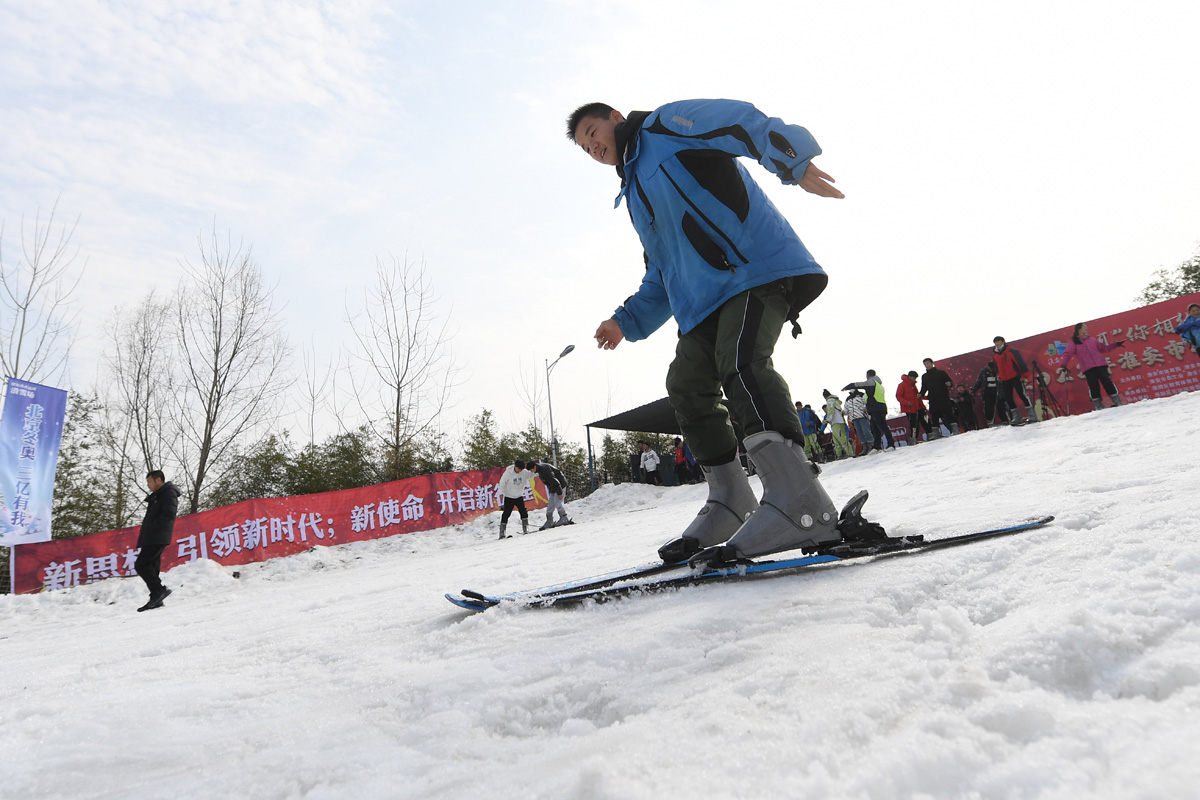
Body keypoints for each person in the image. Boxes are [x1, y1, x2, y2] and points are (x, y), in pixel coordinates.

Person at [570, 98, 855, 564]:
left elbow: (735, 122)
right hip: (703, 304)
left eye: (592, 133)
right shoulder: (636, 192)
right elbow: (662, 271)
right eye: (585, 148)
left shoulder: (665, 127)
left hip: (754, 272)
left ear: (615, 118)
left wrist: (790, 158)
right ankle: (731, 500)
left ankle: (801, 501)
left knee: (740, 363)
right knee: (686, 385)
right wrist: (625, 321)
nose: (593, 148)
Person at [135, 470, 181, 612]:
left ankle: (159, 591)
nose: (148, 485)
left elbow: (169, 515)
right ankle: (156, 598)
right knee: (152, 567)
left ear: (158, 480)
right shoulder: (158, 495)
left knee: (141, 564)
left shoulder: (168, 493)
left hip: (158, 535)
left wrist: (152, 526)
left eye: (149, 481)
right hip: (152, 536)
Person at [1057, 322, 1124, 410]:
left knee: (1107, 382)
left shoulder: (1092, 339)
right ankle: (1098, 406)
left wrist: (1115, 344)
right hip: (1088, 368)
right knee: (1093, 386)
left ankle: (1117, 401)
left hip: (1100, 365)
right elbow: (1067, 353)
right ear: (1079, 329)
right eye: (1085, 327)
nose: (1087, 329)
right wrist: (1064, 364)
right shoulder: (1074, 342)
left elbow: (1104, 348)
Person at [844, 370, 895, 451]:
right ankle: (876, 446)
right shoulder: (878, 384)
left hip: (876, 407)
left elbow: (861, 384)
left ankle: (891, 444)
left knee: (883, 427)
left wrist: (849, 386)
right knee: (875, 428)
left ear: (868, 375)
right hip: (877, 407)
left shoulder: (872, 382)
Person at [992, 336, 1033, 425]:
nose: (997, 343)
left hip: (1016, 376)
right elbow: (996, 367)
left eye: (998, 341)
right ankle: (1017, 417)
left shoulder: (1011, 351)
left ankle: (1032, 415)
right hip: (1005, 379)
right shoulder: (995, 355)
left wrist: (1024, 375)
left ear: (1003, 342)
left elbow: (1020, 363)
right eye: (995, 342)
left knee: (1022, 395)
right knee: (1008, 398)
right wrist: (998, 375)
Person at [527, 456, 573, 528]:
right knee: (551, 503)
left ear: (534, 467)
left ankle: (564, 518)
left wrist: (560, 493)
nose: (531, 471)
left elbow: (555, 481)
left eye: (531, 470)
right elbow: (549, 482)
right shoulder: (540, 470)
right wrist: (552, 491)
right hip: (553, 487)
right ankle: (549, 521)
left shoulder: (544, 470)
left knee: (557, 502)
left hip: (560, 485)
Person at [496, 459, 535, 538]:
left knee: (523, 511)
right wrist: (500, 493)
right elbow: (502, 483)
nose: (519, 471)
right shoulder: (508, 473)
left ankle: (525, 528)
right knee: (506, 514)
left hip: (519, 496)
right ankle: (502, 533)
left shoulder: (524, 472)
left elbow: (532, 474)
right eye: (518, 469)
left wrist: (540, 469)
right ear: (515, 466)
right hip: (509, 496)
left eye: (521, 469)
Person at [920, 358, 957, 437]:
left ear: (932, 363)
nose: (927, 365)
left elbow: (950, 381)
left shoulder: (941, 373)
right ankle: (936, 434)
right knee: (934, 416)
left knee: (949, 414)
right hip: (933, 398)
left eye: (928, 363)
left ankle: (955, 430)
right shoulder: (924, 376)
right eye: (925, 364)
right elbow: (924, 388)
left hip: (943, 397)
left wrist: (949, 383)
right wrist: (920, 394)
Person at [896, 371, 931, 445]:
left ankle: (930, 434)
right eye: (914, 377)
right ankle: (913, 439)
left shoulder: (913, 385)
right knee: (914, 425)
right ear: (909, 376)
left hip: (919, 406)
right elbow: (898, 396)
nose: (914, 379)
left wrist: (927, 397)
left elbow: (917, 395)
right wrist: (906, 402)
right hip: (910, 408)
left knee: (926, 420)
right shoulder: (902, 385)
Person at [972, 361, 1008, 426]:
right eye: (991, 368)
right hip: (987, 392)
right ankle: (990, 421)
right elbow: (979, 381)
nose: (992, 370)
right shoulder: (983, 372)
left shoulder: (999, 371)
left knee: (1001, 407)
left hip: (997, 391)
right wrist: (974, 389)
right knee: (988, 408)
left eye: (993, 368)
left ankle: (1005, 420)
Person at [821, 389, 853, 460]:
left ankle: (849, 453)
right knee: (836, 440)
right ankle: (840, 454)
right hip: (838, 422)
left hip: (836, 422)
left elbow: (831, 411)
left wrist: (827, 420)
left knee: (841, 439)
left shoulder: (830, 401)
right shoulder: (835, 401)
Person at [843, 389, 873, 456]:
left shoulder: (861, 394)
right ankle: (864, 447)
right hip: (854, 418)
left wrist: (865, 408)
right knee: (859, 433)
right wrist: (844, 412)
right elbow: (846, 408)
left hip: (862, 416)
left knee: (866, 431)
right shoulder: (848, 399)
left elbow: (867, 402)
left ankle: (871, 445)